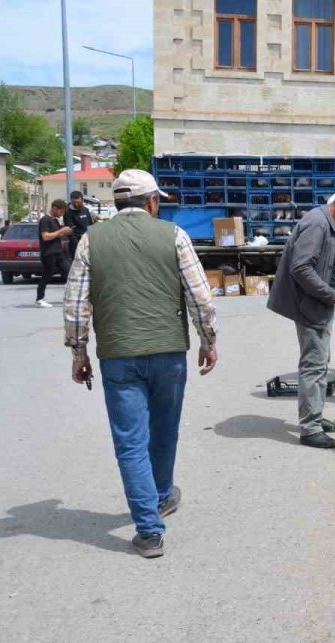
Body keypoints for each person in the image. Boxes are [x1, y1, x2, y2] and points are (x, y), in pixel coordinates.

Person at [63, 169, 219, 559]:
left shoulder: (90, 240)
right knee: (164, 429)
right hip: (168, 351)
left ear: (117, 203)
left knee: (130, 441)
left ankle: (150, 531)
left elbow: (75, 305)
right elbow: (200, 296)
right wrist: (208, 340)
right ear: (151, 202)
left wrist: (79, 352)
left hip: (118, 355)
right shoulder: (174, 235)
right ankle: (162, 495)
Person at [268, 191, 335, 448]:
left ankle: (315, 415)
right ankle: (310, 428)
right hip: (310, 306)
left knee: (319, 363)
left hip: (318, 304)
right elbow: (301, 267)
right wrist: (329, 293)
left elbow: (329, 264)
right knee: (313, 365)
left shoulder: (328, 224)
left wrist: (334, 292)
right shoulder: (317, 224)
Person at [35, 200, 73, 309]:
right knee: (46, 276)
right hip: (48, 253)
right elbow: (45, 236)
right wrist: (61, 231)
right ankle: (39, 299)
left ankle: (70, 297)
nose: (62, 214)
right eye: (61, 211)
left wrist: (65, 232)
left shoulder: (54, 221)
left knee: (69, 273)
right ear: (55, 208)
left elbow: (56, 235)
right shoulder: (45, 220)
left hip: (59, 252)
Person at [64, 190, 96, 259]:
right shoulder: (68, 212)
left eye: (78, 202)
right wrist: (78, 243)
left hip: (88, 243)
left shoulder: (85, 210)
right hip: (77, 245)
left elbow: (91, 225)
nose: (76, 204)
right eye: (74, 202)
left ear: (82, 200)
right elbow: (70, 231)